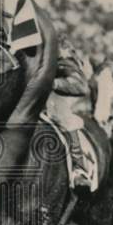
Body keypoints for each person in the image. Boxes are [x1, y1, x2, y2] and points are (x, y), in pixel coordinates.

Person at [45, 38, 97, 188]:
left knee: (64, 118)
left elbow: (80, 86)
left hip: (52, 101)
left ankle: (79, 169)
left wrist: (51, 82)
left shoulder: (63, 54)